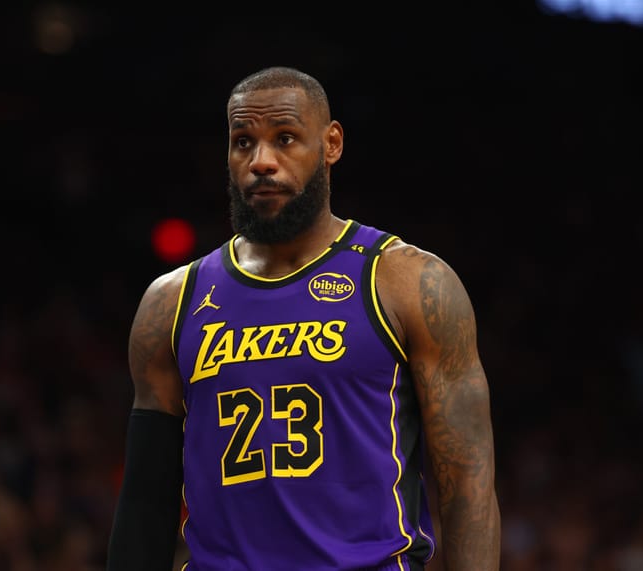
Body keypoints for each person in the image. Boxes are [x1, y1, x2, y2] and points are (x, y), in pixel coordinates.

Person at [106, 66, 500, 571]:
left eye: (285, 138)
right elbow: (145, 503)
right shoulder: (171, 302)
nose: (261, 161)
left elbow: (468, 486)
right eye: (243, 142)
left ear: (331, 143)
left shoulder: (404, 282)